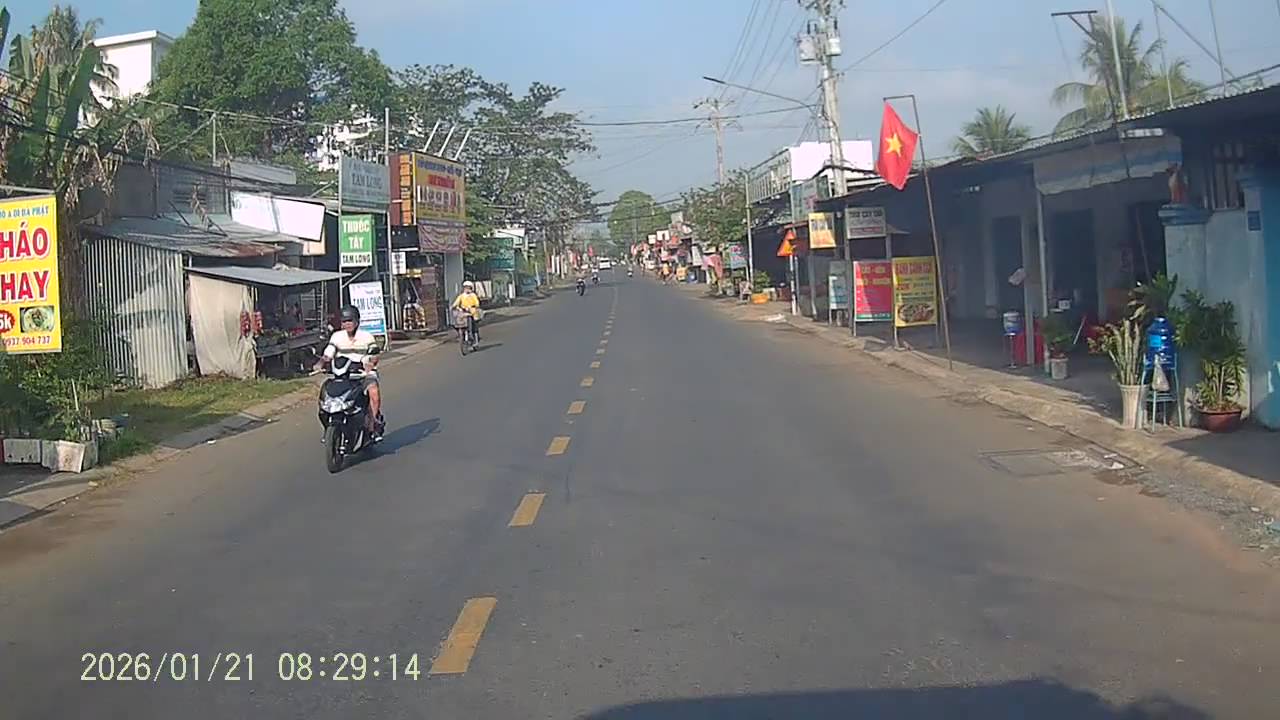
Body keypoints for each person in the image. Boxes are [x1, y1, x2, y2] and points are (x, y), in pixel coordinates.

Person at [314, 304, 382, 440]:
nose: (347, 324)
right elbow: (329, 352)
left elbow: (374, 355)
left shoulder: (367, 337)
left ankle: (372, 425)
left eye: (350, 320)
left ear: (357, 321)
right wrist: (321, 363)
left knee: (374, 393)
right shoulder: (337, 337)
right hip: (341, 375)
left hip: (362, 374)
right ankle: (329, 428)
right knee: (326, 394)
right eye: (344, 321)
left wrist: (370, 363)